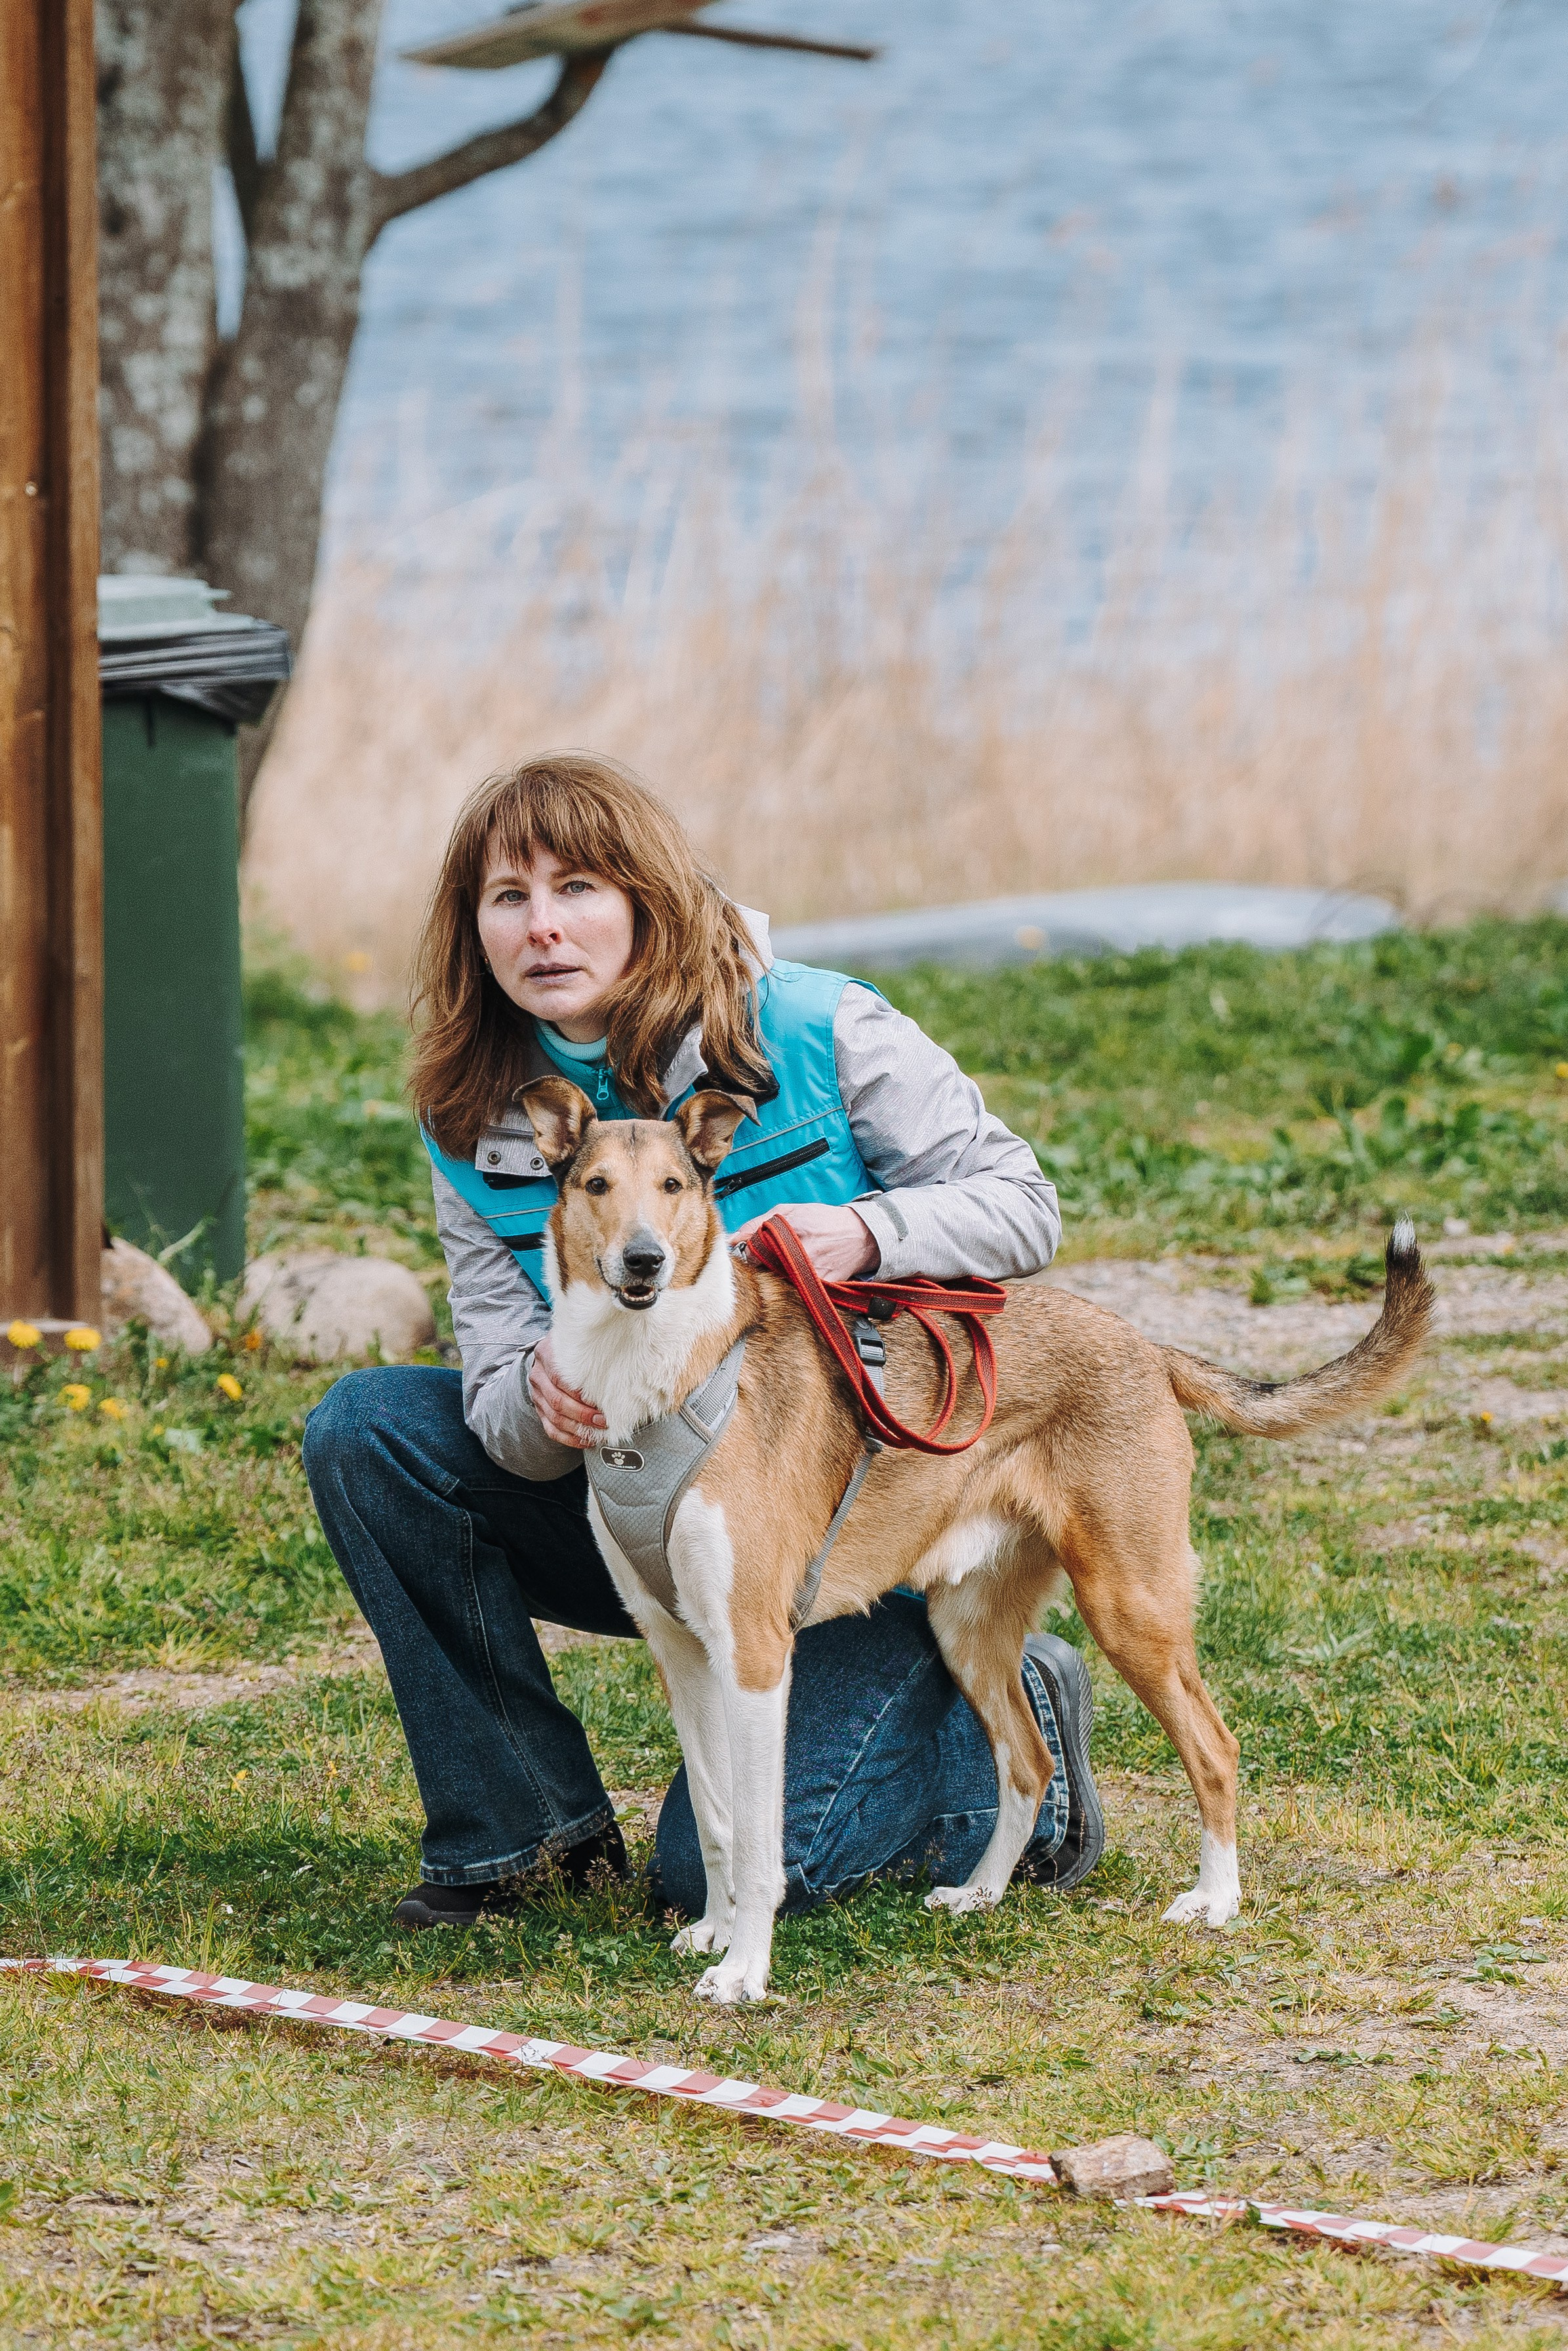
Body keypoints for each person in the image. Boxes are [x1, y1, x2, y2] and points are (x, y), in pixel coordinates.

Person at [302, 752, 1104, 1930]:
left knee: (708, 1879)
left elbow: (1023, 1204)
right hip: (639, 1501)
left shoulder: (816, 1024)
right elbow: (496, 1401)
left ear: (646, 897)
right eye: (507, 898)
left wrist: (866, 1231)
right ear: (471, 928)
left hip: (862, 1524)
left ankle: (996, 1711)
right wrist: (537, 1398)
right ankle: (525, 1835)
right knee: (367, 1430)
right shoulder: (474, 1117)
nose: (543, 926)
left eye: (577, 887)